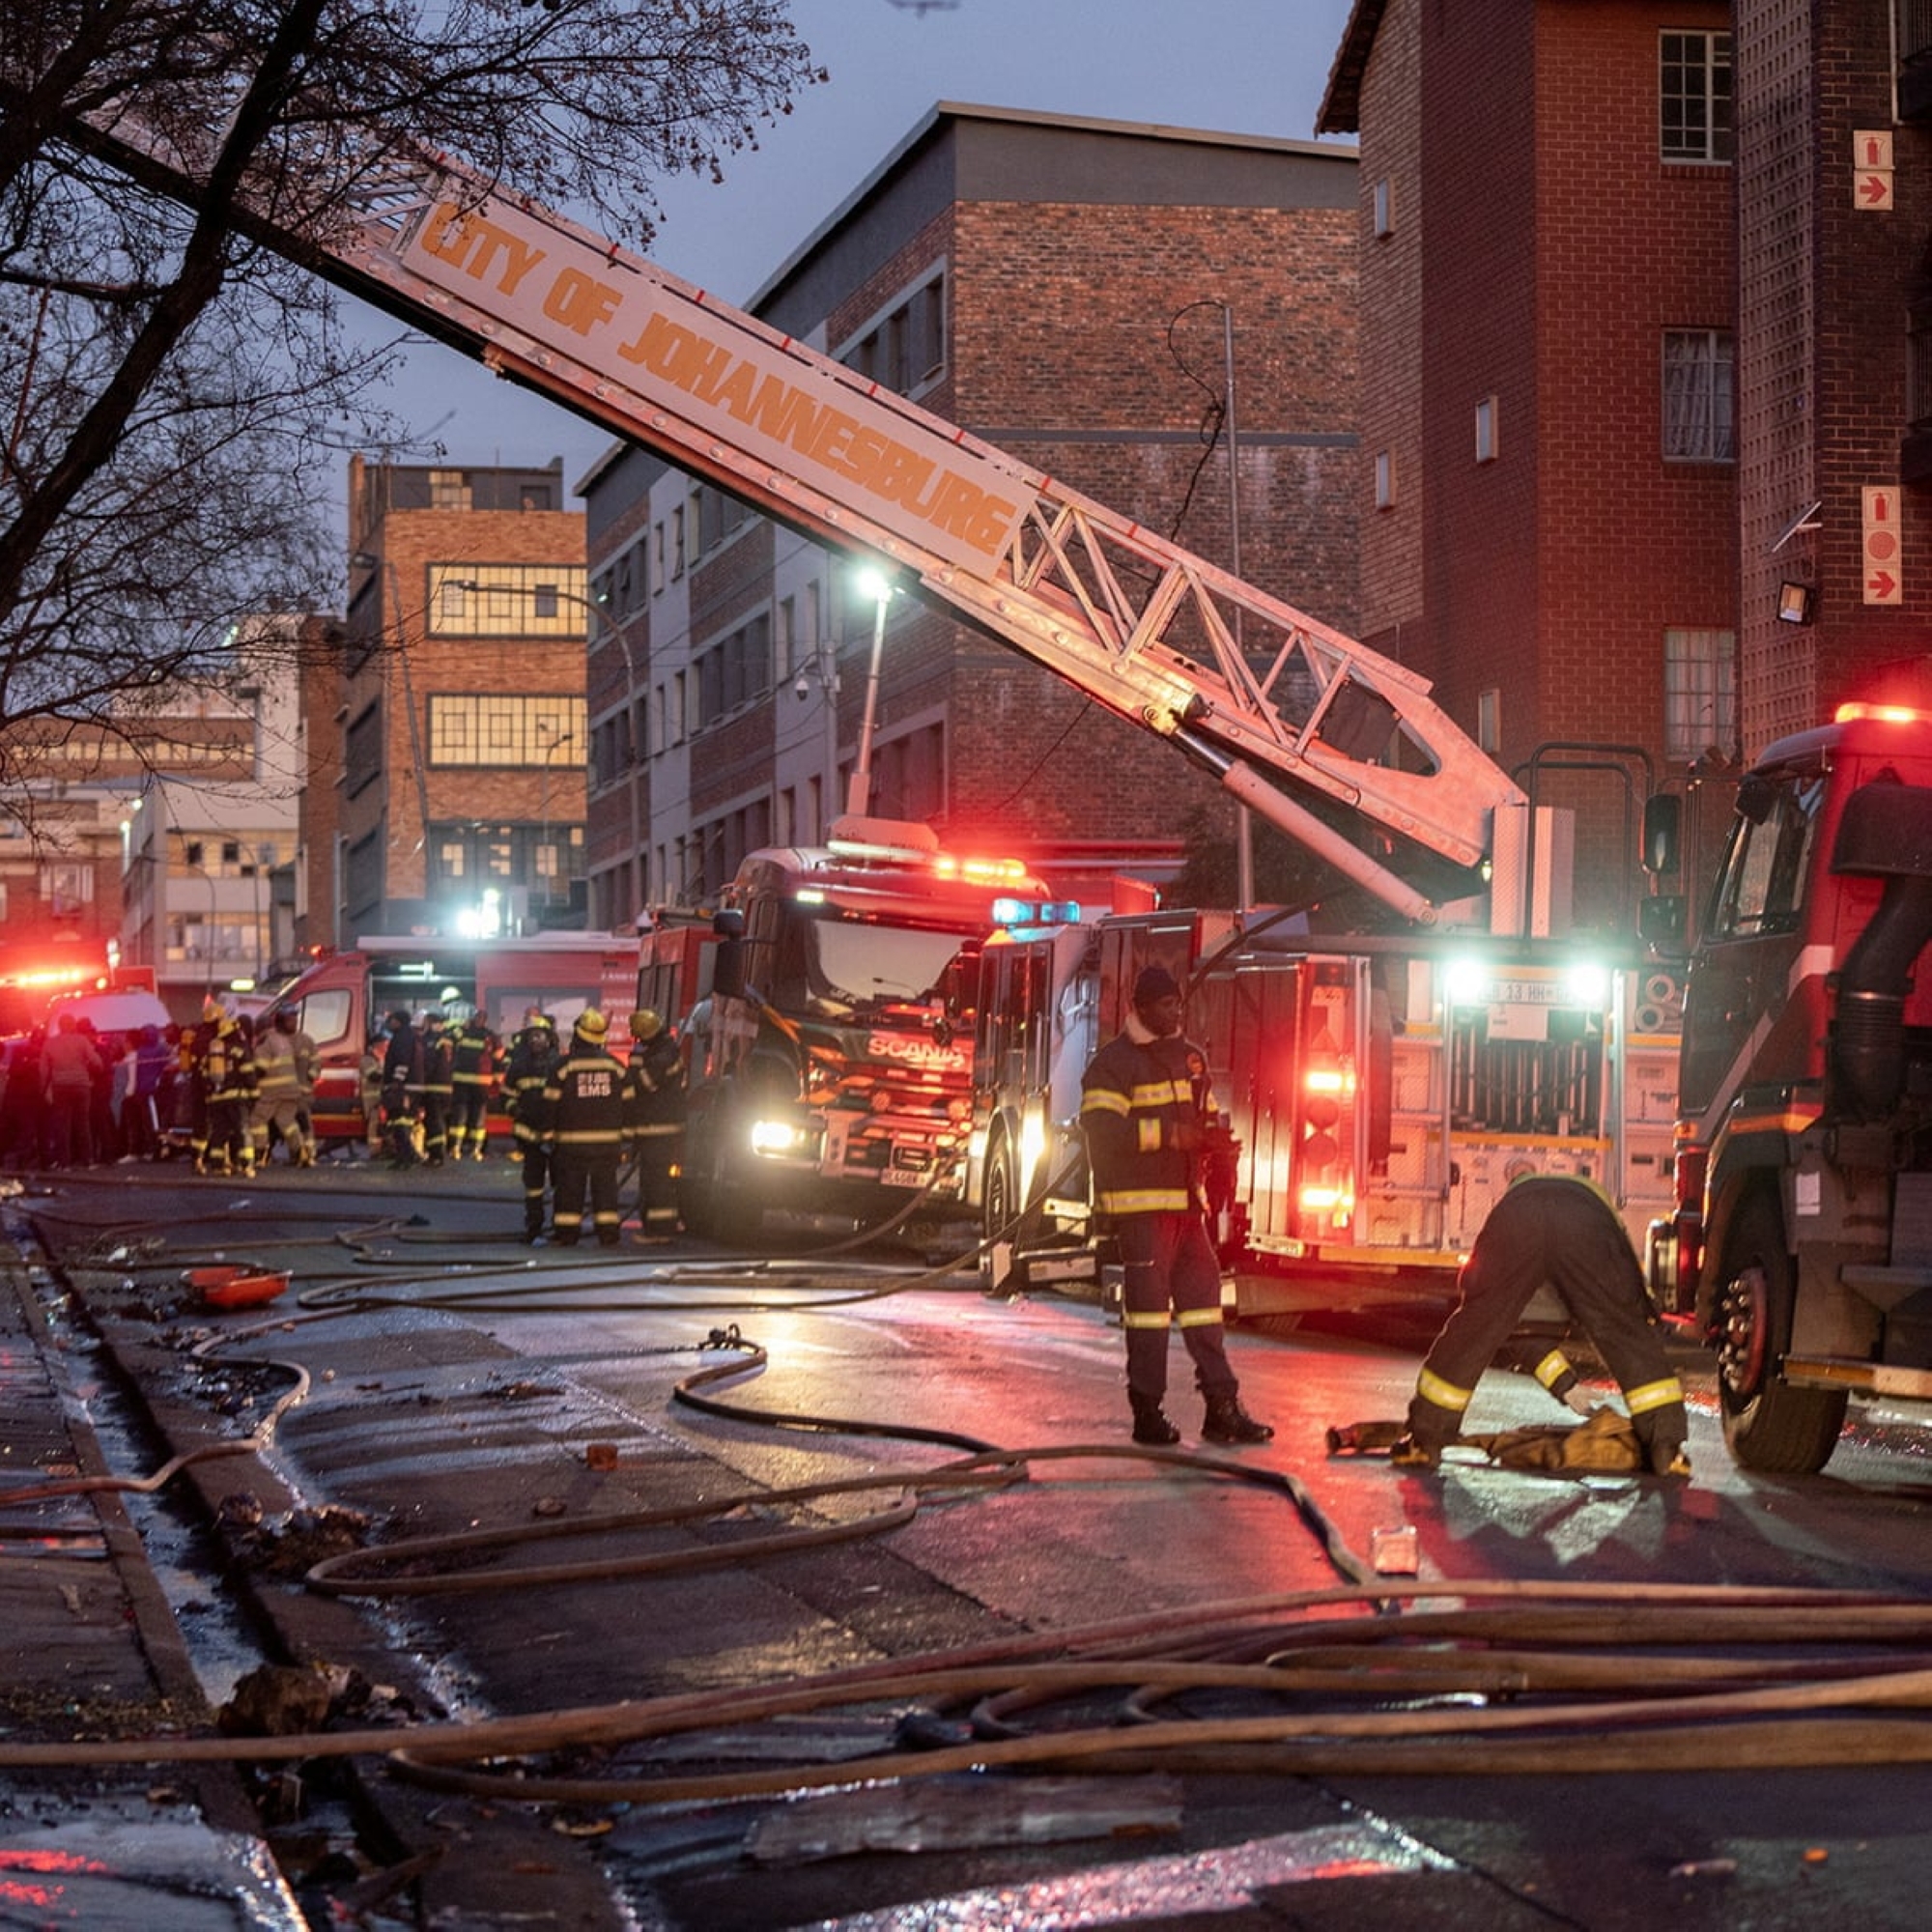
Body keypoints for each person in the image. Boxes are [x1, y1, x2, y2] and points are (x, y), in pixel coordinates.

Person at [1079, 964, 1272, 1447]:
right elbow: (1102, 1136)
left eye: (1178, 1004)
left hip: (1188, 1209)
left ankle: (1222, 1407)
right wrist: (1171, 1135)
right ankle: (1147, 1412)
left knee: (1206, 1307)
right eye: (1166, 1005)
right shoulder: (1113, 1064)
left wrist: (1217, 1147)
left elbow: (1205, 1116)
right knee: (1147, 1315)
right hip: (1140, 1209)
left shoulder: (1190, 1059)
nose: (1175, 1012)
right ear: (1142, 1007)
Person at [1392, 1170, 1691, 1475]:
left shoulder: (1516, 1210)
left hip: (1517, 1217)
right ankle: (1666, 1452)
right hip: (1583, 1217)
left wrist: (1567, 1387)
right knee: (1624, 1329)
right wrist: (1567, 1386)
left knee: (1477, 1325)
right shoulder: (1595, 1210)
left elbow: (1527, 1337)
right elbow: (1626, 1304)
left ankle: (1423, 1443)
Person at [542, 1009, 637, 1248]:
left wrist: (546, 1136)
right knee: (606, 1191)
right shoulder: (615, 1067)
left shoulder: (563, 1067)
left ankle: (567, 1235)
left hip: (572, 1145)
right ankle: (608, 1235)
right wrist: (626, 1138)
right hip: (607, 1145)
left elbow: (550, 1105)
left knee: (570, 1191)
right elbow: (630, 1104)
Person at [625, 1009, 686, 1237]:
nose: (637, 1041)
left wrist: (635, 1064)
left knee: (657, 1180)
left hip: (660, 1127)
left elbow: (647, 1084)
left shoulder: (663, 1055)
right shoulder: (660, 1049)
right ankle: (654, 1227)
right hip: (654, 1125)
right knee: (652, 1178)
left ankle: (660, 1231)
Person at [502, 1012, 560, 1240]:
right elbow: (506, 1096)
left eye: (539, 1036)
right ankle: (534, 1226)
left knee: (560, 1185)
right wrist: (514, 1109)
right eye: (532, 1037)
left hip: (555, 1137)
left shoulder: (559, 1064)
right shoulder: (518, 1066)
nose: (535, 1040)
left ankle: (560, 1227)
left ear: (549, 1038)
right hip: (529, 1135)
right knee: (533, 1186)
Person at [253, 1007, 319, 1167]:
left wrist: (250, 1080)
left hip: (272, 1091)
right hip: (292, 1091)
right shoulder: (283, 1040)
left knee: (257, 1120)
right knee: (287, 1122)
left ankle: (259, 1154)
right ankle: (300, 1152)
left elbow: (260, 1068)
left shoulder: (265, 1042)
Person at [42, 1013, 103, 1169]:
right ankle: (88, 1161)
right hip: (81, 1085)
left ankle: (65, 1163)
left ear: (60, 1026)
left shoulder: (50, 1043)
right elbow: (96, 1061)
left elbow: (43, 1070)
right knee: (83, 1124)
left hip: (60, 1086)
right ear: (73, 1025)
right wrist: (98, 1068)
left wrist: (43, 1088)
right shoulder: (81, 1040)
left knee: (63, 1126)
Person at [447, 1008, 497, 1159]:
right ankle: (476, 1150)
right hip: (481, 1082)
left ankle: (457, 1147)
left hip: (462, 1080)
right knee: (477, 1117)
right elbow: (498, 1055)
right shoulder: (490, 1036)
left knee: (461, 1116)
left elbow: (449, 1040)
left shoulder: (462, 1032)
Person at [381, 1009, 424, 1168]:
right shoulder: (412, 1036)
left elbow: (402, 1061)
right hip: (413, 1086)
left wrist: (396, 1082)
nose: (389, 1023)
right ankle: (407, 1155)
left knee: (399, 1122)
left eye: (391, 1020)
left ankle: (406, 1157)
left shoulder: (401, 1037)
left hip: (404, 1088)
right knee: (404, 1122)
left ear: (398, 1021)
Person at [417, 1009, 454, 1166]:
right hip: (446, 1086)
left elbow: (428, 1063)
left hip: (434, 1086)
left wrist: (421, 1079)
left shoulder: (432, 1040)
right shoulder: (447, 1039)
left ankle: (437, 1156)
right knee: (437, 1121)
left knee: (434, 1121)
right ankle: (436, 1154)